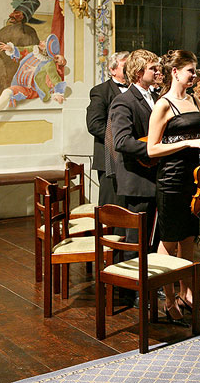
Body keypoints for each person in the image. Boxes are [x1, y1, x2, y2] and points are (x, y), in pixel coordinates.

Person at [146, 50, 200, 326]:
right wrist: (187, 143)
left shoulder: (194, 99)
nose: (195, 76)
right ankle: (168, 299)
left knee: (188, 239)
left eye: (195, 71)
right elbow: (152, 149)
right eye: (190, 71)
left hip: (193, 178)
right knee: (169, 240)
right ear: (175, 72)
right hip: (171, 180)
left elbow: (198, 133)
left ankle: (187, 295)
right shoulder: (163, 104)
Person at [109, 49, 162, 267]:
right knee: (137, 240)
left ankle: (152, 281)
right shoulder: (124, 101)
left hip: (155, 176)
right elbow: (121, 141)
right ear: (139, 72)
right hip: (138, 179)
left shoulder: (157, 98)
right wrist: (153, 149)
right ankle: (133, 290)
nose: (158, 71)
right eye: (153, 68)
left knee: (154, 237)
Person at [86, 51, 129, 206]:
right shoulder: (100, 91)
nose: (129, 69)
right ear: (112, 70)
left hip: (130, 157)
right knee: (112, 204)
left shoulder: (134, 90)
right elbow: (94, 124)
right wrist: (120, 139)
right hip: (108, 157)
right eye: (125, 66)